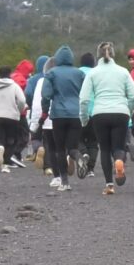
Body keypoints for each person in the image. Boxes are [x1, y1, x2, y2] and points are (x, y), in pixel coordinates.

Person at [79, 42, 134, 195]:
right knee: (118, 147)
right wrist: (130, 110)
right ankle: (119, 161)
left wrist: (84, 119)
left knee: (104, 149)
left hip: (100, 113)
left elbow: (84, 99)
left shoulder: (93, 73)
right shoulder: (123, 71)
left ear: (98, 55)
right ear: (113, 54)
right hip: (121, 112)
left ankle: (109, 185)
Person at [41, 45, 85, 191]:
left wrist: (44, 111)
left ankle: (65, 182)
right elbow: (85, 94)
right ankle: (78, 156)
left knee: (60, 149)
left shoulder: (52, 73)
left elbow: (46, 94)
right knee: (72, 146)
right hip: (76, 113)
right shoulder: (79, 73)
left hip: (58, 114)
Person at [0, 65, 26, 173]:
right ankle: (5, 164)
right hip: (11, 116)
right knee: (11, 141)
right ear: (10, 74)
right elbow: (22, 100)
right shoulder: (14, 86)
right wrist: (19, 110)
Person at [29, 56, 53, 173]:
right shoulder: (56, 79)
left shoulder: (37, 80)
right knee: (51, 140)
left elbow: (28, 93)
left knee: (35, 137)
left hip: (38, 112)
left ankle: (39, 148)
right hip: (52, 113)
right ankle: (51, 166)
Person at [77, 51, 98, 179]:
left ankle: (83, 153)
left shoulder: (77, 73)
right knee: (94, 142)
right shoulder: (97, 73)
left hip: (79, 111)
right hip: (95, 111)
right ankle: (91, 169)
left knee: (77, 138)